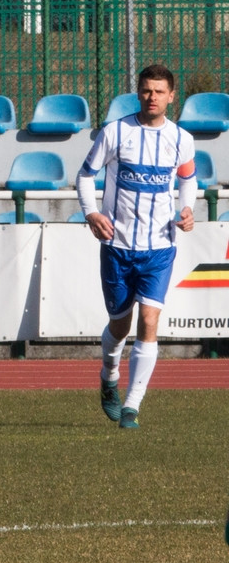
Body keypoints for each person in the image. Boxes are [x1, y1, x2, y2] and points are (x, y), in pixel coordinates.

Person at [76, 64, 197, 430]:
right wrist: (92, 213)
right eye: (146, 90)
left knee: (149, 320)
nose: (152, 97)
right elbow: (85, 175)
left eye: (160, 91)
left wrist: (188, 208)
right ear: (138, 93)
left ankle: (132, 406)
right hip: (117, 245)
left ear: (172, 96)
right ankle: (108, 376)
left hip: (159, 247)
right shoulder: (116, 133)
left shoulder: (182, 139)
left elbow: (187, 179)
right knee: (120, 324)